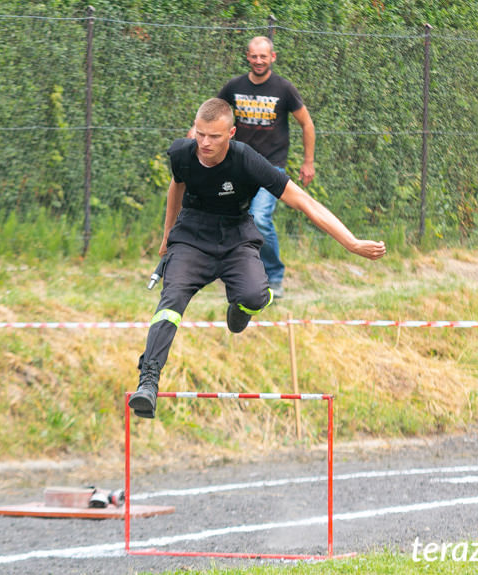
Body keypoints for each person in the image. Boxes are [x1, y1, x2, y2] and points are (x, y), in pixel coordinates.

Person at [128, 98, 385, 419]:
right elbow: (176, 186)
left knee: (255, 296)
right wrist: (168, 234)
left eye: (215, 137)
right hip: (192, 236)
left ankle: (240, 311)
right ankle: (148, 381)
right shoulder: (183, 153)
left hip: (236, 236)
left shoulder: (247, 161)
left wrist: (351, 243)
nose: (205, 143)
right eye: (201, 134)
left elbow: (304, 201)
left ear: (232, 134)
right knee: (171, 300)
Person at [219, 35, 316, 298]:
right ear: (247, 57)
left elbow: (306, 124)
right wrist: (196, 131)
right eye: (254, 56)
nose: (258, 60)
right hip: (238, 167)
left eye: (264, 56)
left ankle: (274, 276)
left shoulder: (284, 89)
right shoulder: (234, 86)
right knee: (231, 219)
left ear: (272, 57)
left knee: (259, 219)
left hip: (271, 168)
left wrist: (308, 162)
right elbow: (214, 111)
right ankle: (237, 274)